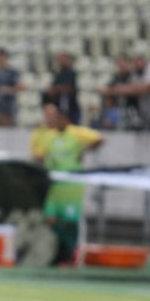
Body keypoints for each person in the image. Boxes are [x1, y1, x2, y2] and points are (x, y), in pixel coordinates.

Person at [30, 100, 103, 265]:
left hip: (72, 186)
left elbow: (99, 139)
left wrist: (84, 150)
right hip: (55, 186)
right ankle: (64, 253)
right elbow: (38, 155)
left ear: (66, 119)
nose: (54, 121)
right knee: (50, 219)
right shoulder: (49, 135)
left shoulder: (76, 133)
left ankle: (71, 256)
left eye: (57, 118)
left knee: (70, 221)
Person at [0, 47, 25, 126]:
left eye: (0, 57)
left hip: (10, 106)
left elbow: (21, 87)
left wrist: (7, 90)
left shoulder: (12, 72)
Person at [44, 51, 81, 125]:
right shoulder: (58, 73)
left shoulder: (72, 73)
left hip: (71, 108)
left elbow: (70, 87)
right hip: (60, 107)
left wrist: (57, 89)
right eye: (59, 59)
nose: (60, 61)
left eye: (63, 59)